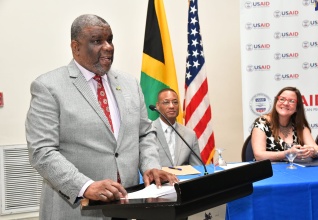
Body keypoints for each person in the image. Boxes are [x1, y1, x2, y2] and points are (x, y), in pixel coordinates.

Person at [25, 14, 178, 220]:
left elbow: (144, 134)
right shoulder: (48, 87)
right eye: (97, 41)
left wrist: (151, 166)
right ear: (75, 47)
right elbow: (42, 151)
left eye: (110, 40)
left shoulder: (129, 83)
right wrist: (85, 186)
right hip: (76, 210)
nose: (108, 47)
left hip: (127, 206)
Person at [251, 86, 318, 161]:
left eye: (291, 101)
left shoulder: (299, 125)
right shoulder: (262, 123)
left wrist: (313, 151)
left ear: (297, 108)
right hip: (269, 170)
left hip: (295, 170)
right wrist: (288, 153)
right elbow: (258, 155)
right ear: (276, 102)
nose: (285, 103)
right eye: (282, 99)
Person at [153, 88, 202, 167]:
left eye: (175, 102)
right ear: (158, 106)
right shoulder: (148, 131)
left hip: (186, 179)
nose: (172, 106)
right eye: (166, 102)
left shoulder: (190, 134)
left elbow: (197, 167)